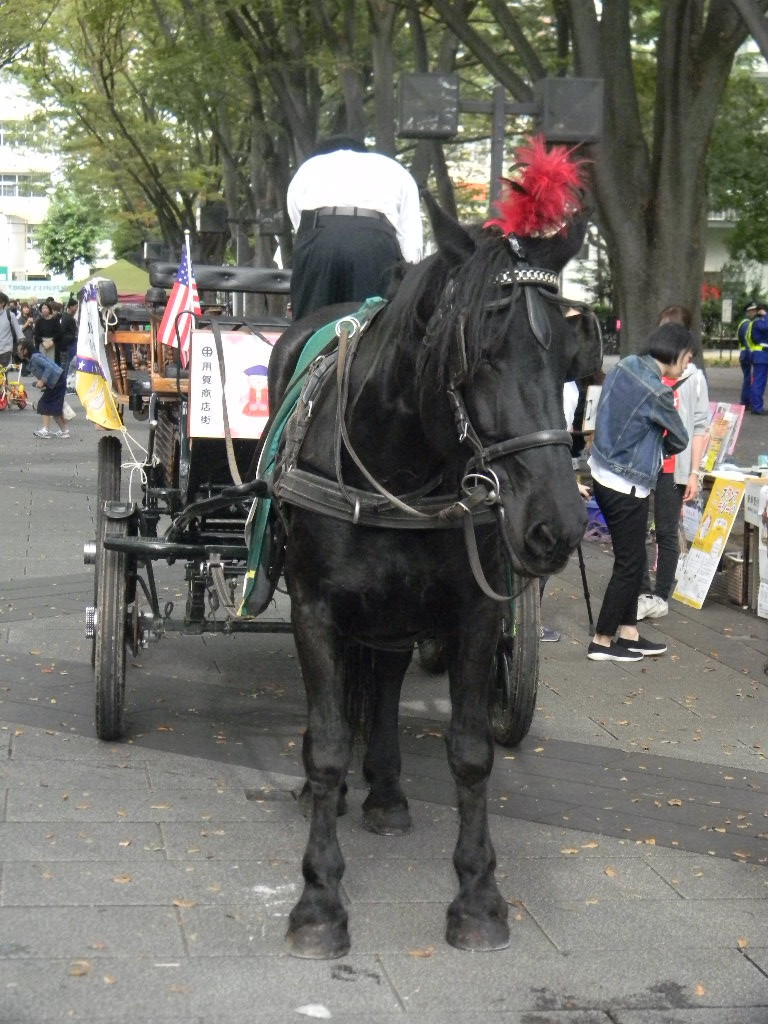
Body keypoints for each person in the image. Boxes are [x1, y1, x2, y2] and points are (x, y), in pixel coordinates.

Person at [586, 323, 692, 662]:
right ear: (675, 353)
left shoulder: (626, 365)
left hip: (602, 471)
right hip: (626, 484)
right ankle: (602, 640)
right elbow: (680, 439)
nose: (687, 364)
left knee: (633, 556)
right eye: (687, 357)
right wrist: (658, 438)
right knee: (630, 564)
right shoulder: (657, 391)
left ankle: (629, 632)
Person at [286, 135, 423, 320]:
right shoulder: (391, 168)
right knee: (372, 326)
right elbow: (411, 240)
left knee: (310, 324)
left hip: (320, 237)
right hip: (375, 241)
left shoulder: (310, 167)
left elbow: (301, 224)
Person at [637, 306, 710, 620]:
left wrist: (694, 471)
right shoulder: (643, 369)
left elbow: (699, 426)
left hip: (673, 467)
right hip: (641, 462)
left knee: (666, 531)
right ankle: (640, 591)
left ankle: (660, 594)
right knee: (635, 529)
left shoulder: (694, 378)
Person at [16, 339, 71, 439]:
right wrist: (42, 382)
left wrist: (42, 381)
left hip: (57, 380)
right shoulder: (29, 362)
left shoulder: (35, 357)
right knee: (54, 407)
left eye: (21, 349)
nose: (19, 352)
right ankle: (64, 430)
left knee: (44, 404)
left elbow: (49, 367)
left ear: (26, 350)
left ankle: (46, 430)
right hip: (55, 381)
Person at [747, 302, 768, 414]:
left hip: (763, 355)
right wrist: (766, 315)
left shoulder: (761, 321)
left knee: (760, 382)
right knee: (759, 382)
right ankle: (756, 407)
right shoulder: (758, 322)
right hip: (761, 355)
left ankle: (757, 405)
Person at [737, 301, 758, 408]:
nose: (755, 312)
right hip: (747, 353)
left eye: (755, 310)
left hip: (745, 353)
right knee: (748, 378)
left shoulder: (746, 323)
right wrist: (751, 353)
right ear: (747, 312)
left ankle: (746, 400)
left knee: (748, 378)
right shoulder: (746, 324)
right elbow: (746, 340)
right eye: (752, 311)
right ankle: (746, 401)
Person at [0, 291, 23, 368]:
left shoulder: (10, 315)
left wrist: (22, 345)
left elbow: (18, 332)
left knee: (2, 374)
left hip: (5, 350)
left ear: (3, 303)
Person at [59, 296, 79, 378]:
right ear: (70, 307)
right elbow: (66, 331)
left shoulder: (65, 316)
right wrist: (73, 336)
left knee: (67, 361)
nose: (77, 308)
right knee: (69, 361)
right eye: (75, 306)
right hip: (69, 343)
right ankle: (66, 377)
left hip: (66, 342)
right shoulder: (68, 318)